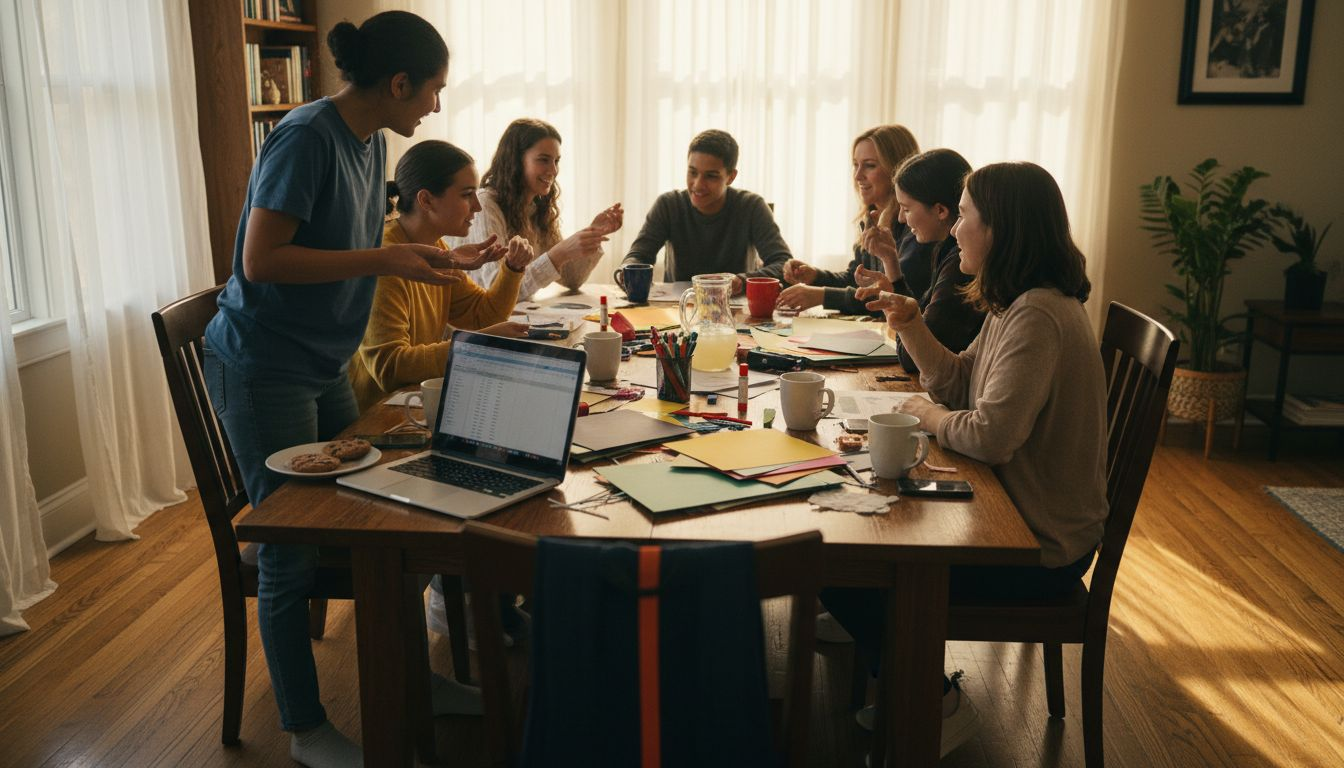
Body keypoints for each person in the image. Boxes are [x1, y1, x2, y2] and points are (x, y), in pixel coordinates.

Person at [201, 13, 499, 768]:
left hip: (322, 363)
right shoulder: (306, 137)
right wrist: (387, 261)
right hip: (266, 366)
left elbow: (355, 249)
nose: (435, 105)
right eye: (432, 89)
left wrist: (432, 260)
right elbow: (262, 261)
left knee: (388, 516)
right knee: (291, 549)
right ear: (398, 83)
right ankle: (304, 729)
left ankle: (412, 684)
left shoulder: (369, 143)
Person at [827, 161, 1109, 759]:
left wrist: (925, 415)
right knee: (854, 546)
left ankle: (935, 702)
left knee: (843, 567)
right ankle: (905, 680)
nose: (956, 231)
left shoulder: (1038, 315)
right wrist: (911, 323)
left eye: (966, 217)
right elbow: (958, 382)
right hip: (1012, 511)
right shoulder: (1014, 304)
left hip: (1039, 546)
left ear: (1000, 228)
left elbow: (989, 438)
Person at [350, 140, 534, 412]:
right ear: (425, 200)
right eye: (467, 195)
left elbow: (482, 316)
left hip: (415, 404)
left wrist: (513, 269)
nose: (477, 206)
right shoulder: (386, 260)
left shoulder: (438, 248)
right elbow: (390, 367)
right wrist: (476, 345)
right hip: (379, 414)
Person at [458, 118, 623, 299]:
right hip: (477, 317)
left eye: (556, 161)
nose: (553, 170)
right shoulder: (485, 205)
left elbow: (572, 279)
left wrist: (594, 234)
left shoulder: (536, 209)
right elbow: (495, 290)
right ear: (516, 161)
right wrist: (558, 254)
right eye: (543, 160)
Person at [776, 125, 931, 314]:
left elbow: (893, 294)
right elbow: (856, 279)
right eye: (855, 165)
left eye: (870, 165)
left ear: (898, 170)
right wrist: (814, 276)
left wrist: (822, 295)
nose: (858, 176)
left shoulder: (915, 225)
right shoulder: (871, 217)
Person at [621, 129, 792, 295]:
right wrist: (627, 269)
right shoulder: (668, 205)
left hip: (735, 307)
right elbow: (638, 255)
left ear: (731, 177)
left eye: (711, 176)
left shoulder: (752, 206)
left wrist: (742, 281)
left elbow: (784, 265)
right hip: (679, 306)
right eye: (692, 172)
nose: (697, 184)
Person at [874, 148, 985, 372]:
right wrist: (892, 266)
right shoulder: (944, 250)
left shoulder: (960, 265)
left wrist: (904, 318)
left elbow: (913, 357)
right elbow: (918, 325)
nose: (900, 218)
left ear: (940, 210)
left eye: (906, 209)